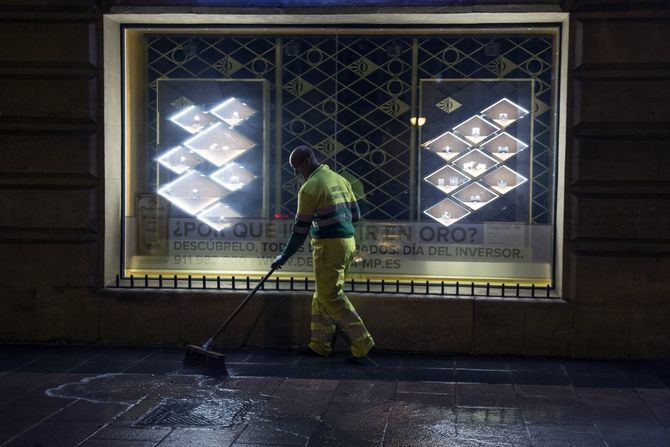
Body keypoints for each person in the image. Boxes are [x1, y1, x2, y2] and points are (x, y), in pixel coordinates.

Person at [271, 145, 376, 365]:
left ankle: (363, 342)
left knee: (331, 296)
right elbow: (356, 214)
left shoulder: (310, 188)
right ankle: (319, 345)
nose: (297, 173)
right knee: (322, 294)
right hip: (347, 242)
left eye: (296, 168)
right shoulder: (339, 179)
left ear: (306, 162)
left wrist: (284, 256)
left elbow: (300, 229)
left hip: (329, 246)